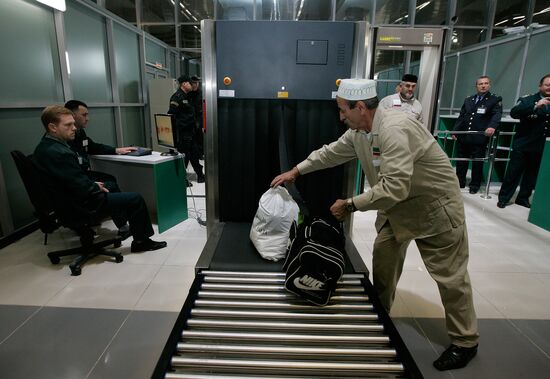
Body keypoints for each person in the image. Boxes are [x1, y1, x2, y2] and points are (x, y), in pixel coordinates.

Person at [272, 79, 479, 371]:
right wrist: (296, 170)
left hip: (434, 209)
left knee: (450, 278)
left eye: (343, 111)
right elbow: (330, 153)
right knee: (383, 262)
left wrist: (351, 204)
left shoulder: (394, 128)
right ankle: (380, 316)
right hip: (397, 211)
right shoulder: (359, 132)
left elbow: (395, 186)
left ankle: (465, 342)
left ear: (360, 107)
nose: (340, 117)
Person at [34, 105, 167, 253]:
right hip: (78, 204)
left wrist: (91, 184)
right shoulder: (58, 153)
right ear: (53, 127)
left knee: (109, 183)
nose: (74, 128)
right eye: (68, 125)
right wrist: (94, 187)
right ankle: (142, 242)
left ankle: (123, 227)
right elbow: (79, 186)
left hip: (65, 201)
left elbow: (70, 180)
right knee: (135, 199)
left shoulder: (46, 146)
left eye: (73, 124)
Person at [498, 74, 550, 208]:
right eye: (547, 85)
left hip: (541, 146)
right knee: (513, 173)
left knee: (531, 175)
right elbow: (514, 112)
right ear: (540, 86)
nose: (549, 88)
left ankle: (523, 198)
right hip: (523, 144)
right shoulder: (528, 99)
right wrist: (536, 106)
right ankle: (504, 198)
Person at [64, 100, 137, 191]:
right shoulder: (63, 140)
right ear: (72, 116)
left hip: (82, 175)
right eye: (84, 115)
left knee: (110, 179)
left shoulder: (80, 132)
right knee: (112, 184)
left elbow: (93, 147)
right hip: (78, 179)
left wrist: (116, 150)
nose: (87, 118)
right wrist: (90, 184)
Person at [453, 76, 502, 194]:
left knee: (477, 162)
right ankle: (460, 182)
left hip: (479, 137)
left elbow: (497, 114)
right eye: (480, 84)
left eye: (486, 83)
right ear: (477, 86)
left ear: (489, 85)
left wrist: (492, 126)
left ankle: (474, 185)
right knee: (461, 161)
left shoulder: (494, 99)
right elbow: (462, 116)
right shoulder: (469, 99)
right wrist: (455, 130)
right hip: (464, 135)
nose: (483, 85)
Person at [168, 75, 205, 184]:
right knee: (185, 157)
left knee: (194, 153)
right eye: (189, 83)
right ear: (184, 84)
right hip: (183, 133)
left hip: (191, 132)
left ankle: (200, 175)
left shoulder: (187, 96)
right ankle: (182, 180)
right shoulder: (177, 97)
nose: (192, 85)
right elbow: (172, 114)